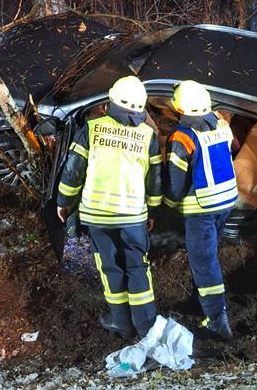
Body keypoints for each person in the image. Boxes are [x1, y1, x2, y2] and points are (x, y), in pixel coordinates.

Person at [56, 76, 163, 339]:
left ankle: (121, 323)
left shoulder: (92, 129)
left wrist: (63, 202)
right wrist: (153, 210)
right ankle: (145, 324)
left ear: (111, 101)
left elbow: (72, 171)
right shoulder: (148, 136)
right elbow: (155, 179)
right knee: (137, 266)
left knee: (110, 267)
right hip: (132, 216)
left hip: (97, 215)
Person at [163, 80, 237, 341]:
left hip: (201, 208)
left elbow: (175, 182)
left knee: (204, 262)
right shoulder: (221, 124)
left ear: (179, 107)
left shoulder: (182, 136)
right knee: (206, 257)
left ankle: (218, 320)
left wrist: (168, 207)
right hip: (225, 203)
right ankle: (202, 305)